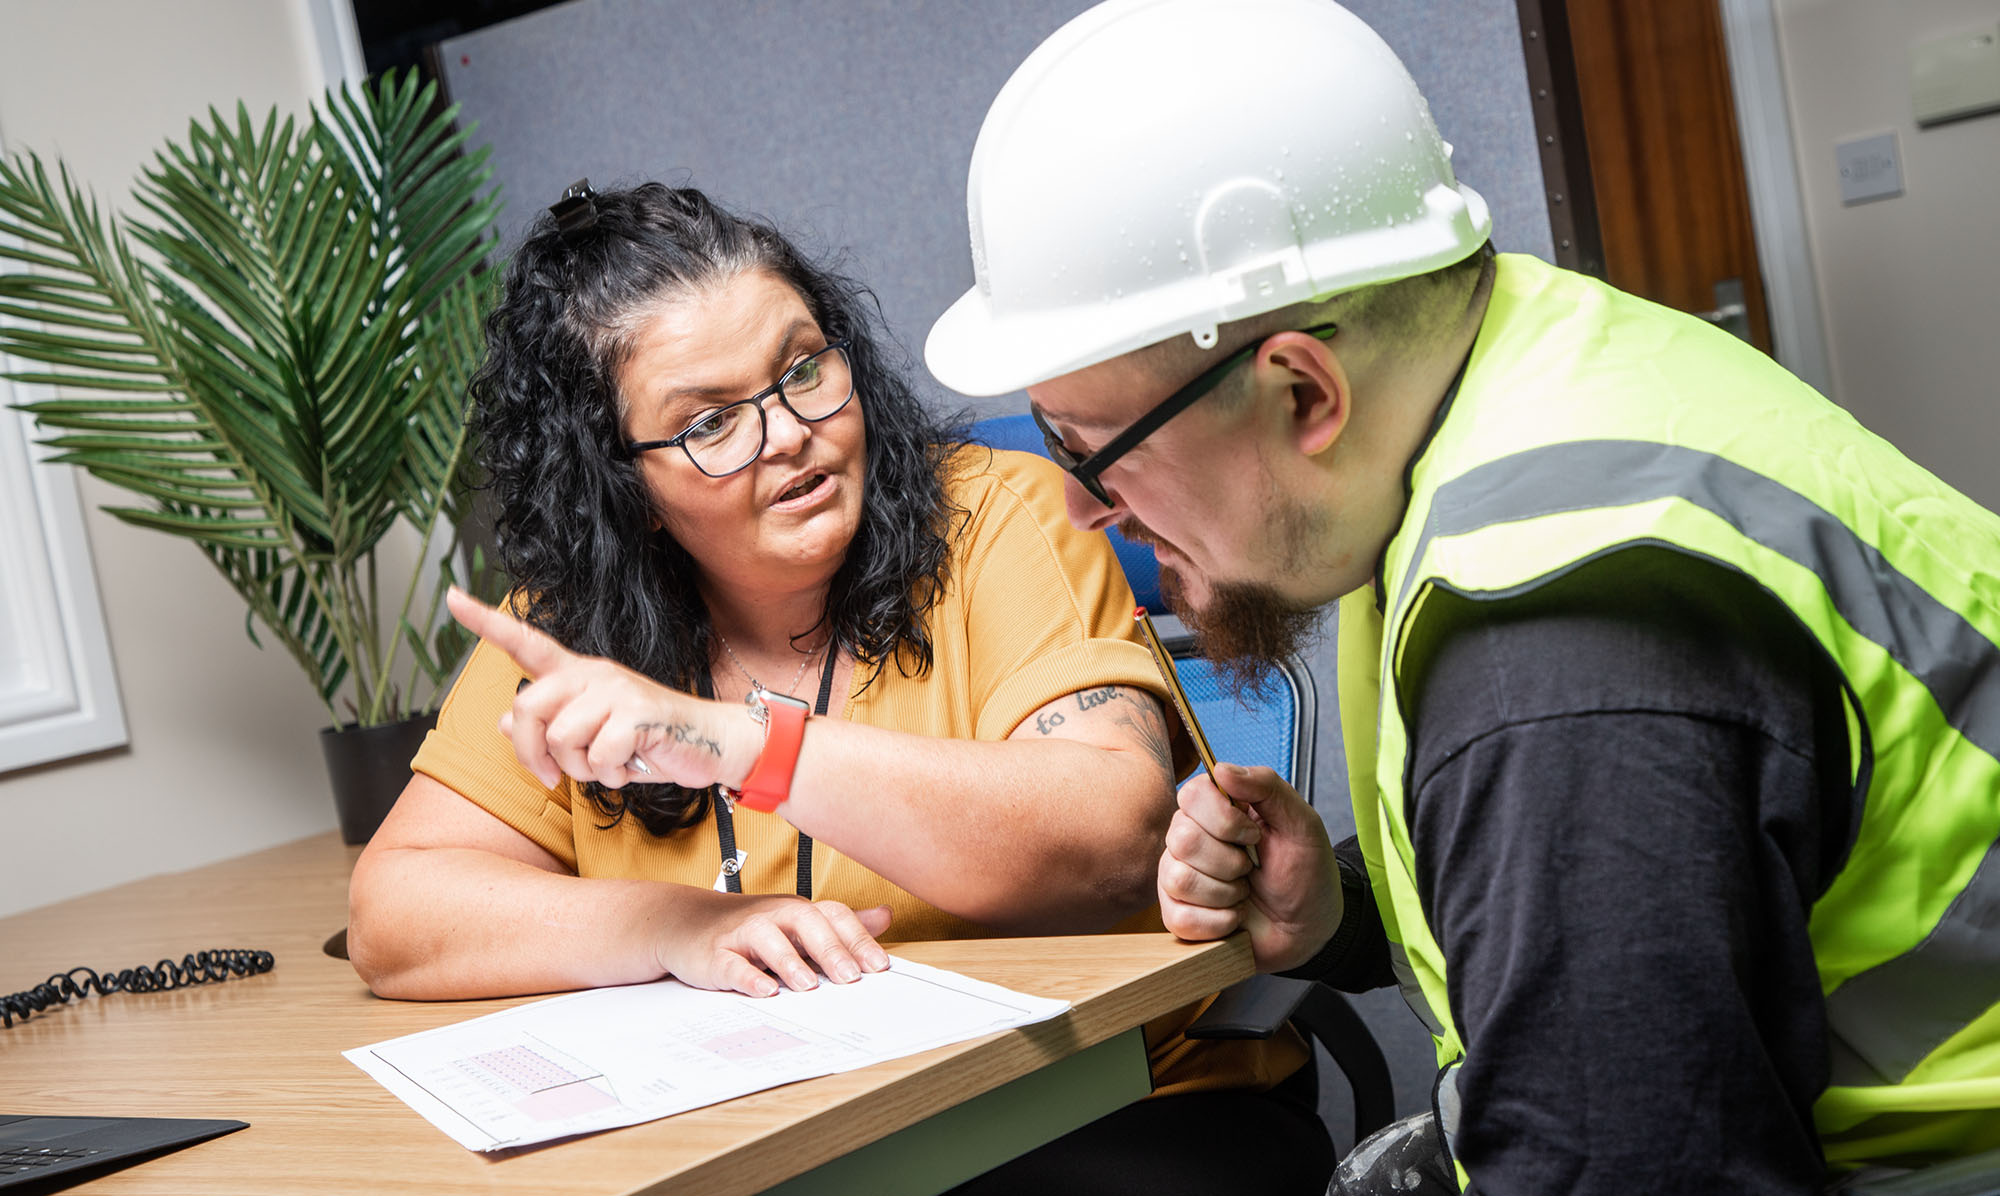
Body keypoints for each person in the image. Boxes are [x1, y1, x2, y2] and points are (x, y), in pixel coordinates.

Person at [923, 1, 2000, 1192]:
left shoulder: (1557, 648)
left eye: (1087, 450)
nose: (1078, 510)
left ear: (1298, 394)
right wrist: (1331, 911)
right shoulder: (1520, 378)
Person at [345, 180, 1334, 1193]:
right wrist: (675, 926)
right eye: (710, 422)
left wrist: (736, 740)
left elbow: (1106, 829)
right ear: (622, 484)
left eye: (803, 368)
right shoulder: (570, 624)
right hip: (784, 1142)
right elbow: (397, 911)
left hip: (1106, 1107)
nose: (785, 432)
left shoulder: (997, 517)